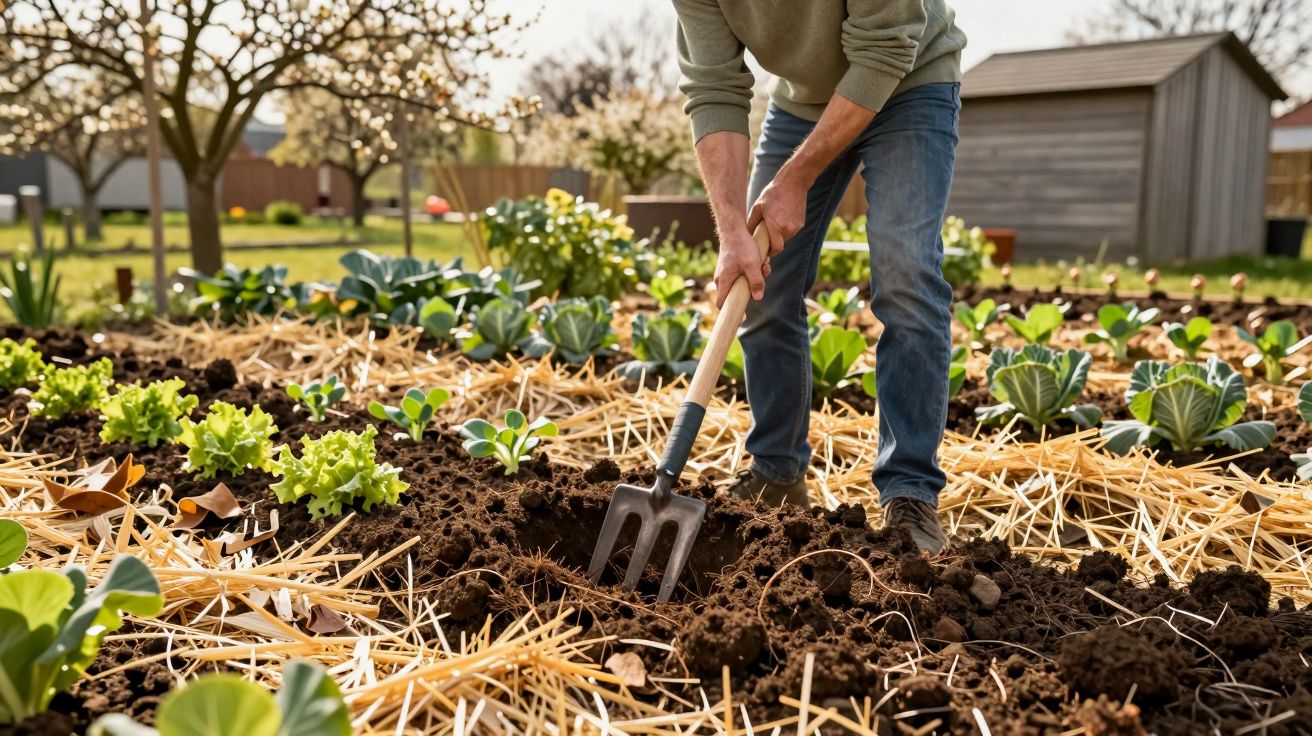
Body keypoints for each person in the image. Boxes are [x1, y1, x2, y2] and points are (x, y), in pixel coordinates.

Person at [671, 0, 967, 553]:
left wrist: (796, 178)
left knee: (905, 274)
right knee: (761, 282)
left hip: (909, 81)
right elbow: (714, 88)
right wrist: (732, 229)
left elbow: (886, 46)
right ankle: (777, 473)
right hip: (803, 104)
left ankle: (910, 492)